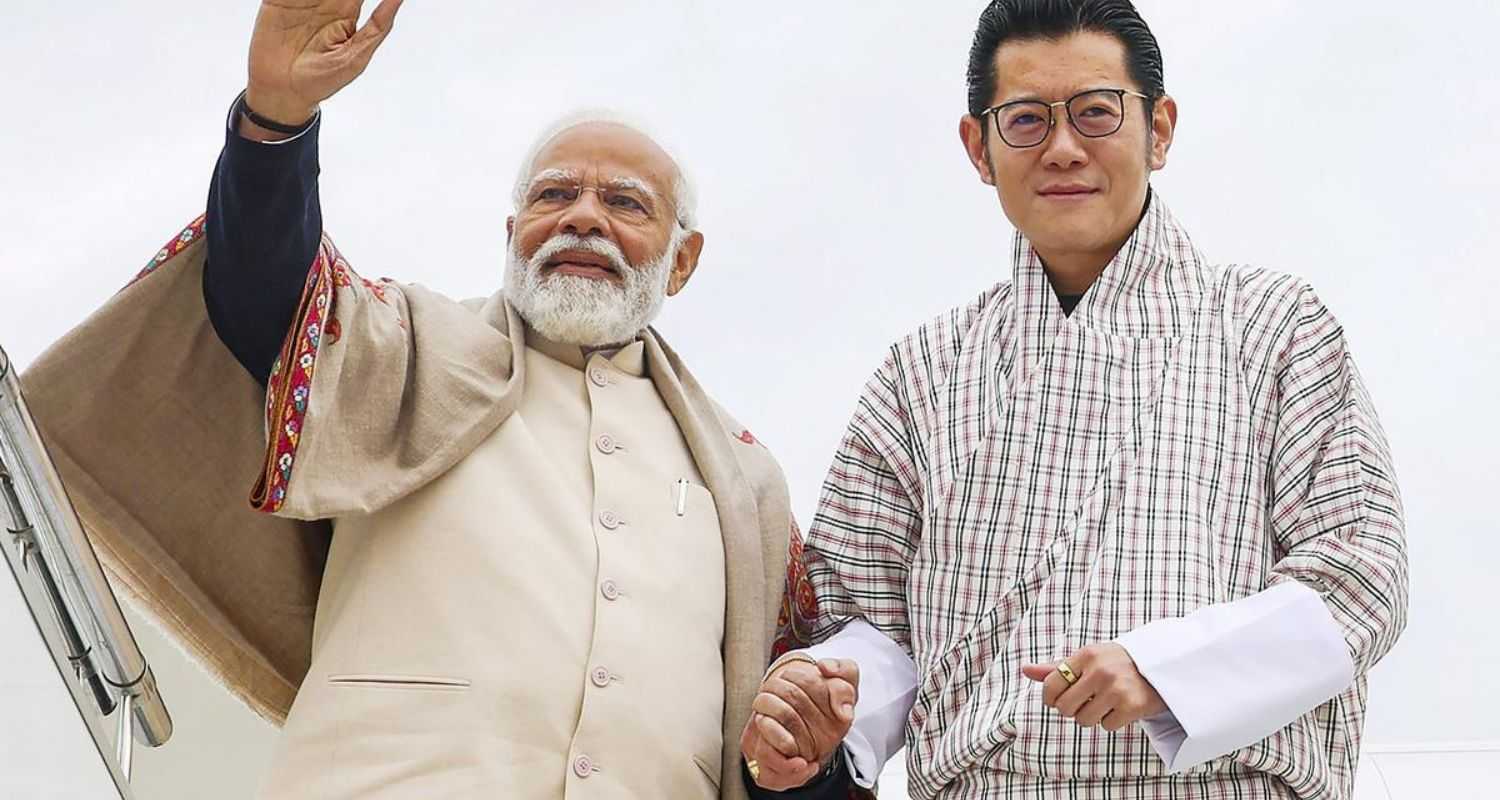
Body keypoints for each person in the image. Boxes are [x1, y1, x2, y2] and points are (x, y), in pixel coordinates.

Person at [22, 1, 864, 798]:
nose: (582, 219)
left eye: (624, 204)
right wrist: (277, 119)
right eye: (553, 195)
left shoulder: (742, 482)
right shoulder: (405, 348)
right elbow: (261, 292)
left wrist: (801, 758)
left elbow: (786, 741)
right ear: (510, 235)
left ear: (682, 261)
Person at [743, 2, 1409, 798]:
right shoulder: (919, 374)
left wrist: (1165, 671)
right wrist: (822, 714)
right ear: (979, 148)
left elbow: (1361, 578)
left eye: (1096, 113)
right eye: (1025, 120)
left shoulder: (1275, 330)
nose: (1063, 148)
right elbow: (863, 625)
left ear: (1158, 130)